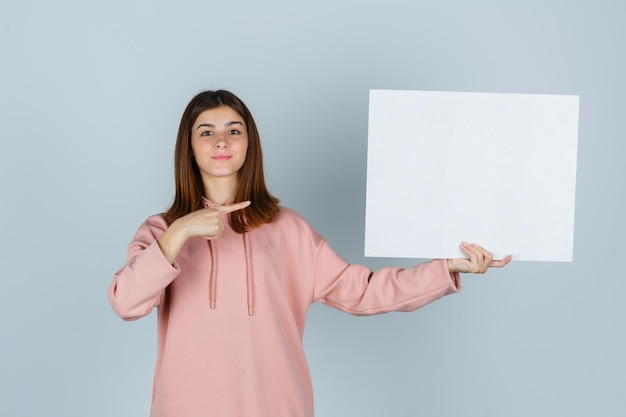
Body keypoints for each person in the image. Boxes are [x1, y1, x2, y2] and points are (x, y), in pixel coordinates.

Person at [108, 89, 512, 417]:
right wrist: (181, 230)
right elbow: (125, 302)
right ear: (189, 147)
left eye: (234, 130)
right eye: (206, 132)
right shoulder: (162, 231)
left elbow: (364, 291)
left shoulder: (288, 229)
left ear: (250, 143)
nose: (221, 142)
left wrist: (447, 269)